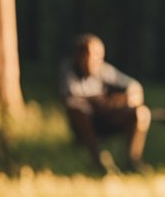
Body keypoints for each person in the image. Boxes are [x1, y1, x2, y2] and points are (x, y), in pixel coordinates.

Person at [60, 33, 150, 173]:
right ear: (79, 55)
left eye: (98, 56)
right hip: (86, 122)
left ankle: (132, 161)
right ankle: (98, 161)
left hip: (108, 118)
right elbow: (70, 97)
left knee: (141, 113)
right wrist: (100, 102)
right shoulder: (69, 70)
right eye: (89, 55)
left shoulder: (104, 70)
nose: (94, 60)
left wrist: (123, 100)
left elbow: (135, 87)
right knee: (76, 109)